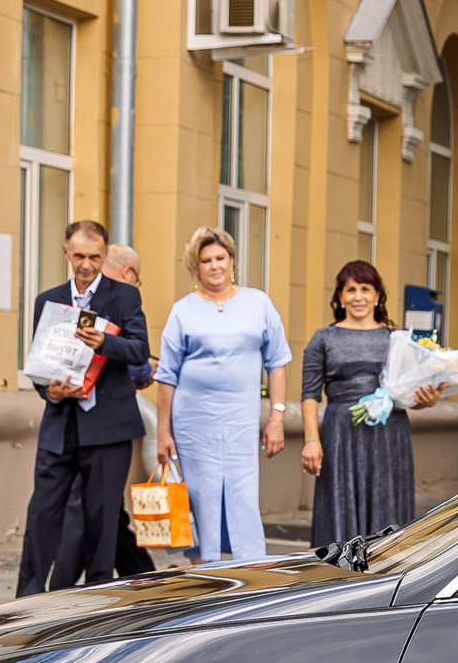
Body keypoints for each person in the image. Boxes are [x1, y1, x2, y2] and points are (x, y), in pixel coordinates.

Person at [18, 219, 149, 597]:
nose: (86, 265)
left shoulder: (124, 297)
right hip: (60, 426)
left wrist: (104, 342)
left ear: (104, 255)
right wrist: (50, 392)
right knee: (42, 514)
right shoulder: (48, 300)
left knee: (102, 521)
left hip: (108, 427)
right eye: (79, 256)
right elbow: (39, 364)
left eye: (94, 257)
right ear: (66, 253)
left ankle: (97, 598)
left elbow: (140, 350)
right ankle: (26, 599)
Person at [154, 228, 292, 562]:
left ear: (232, 260)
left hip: (240, 420)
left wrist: (276, 418)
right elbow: (166, 376)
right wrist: (163, 432)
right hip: (193, 422)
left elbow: (277, 362)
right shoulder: (182, 310)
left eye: (221, 258)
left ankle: (248, 571)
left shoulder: (258, 303)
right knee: (200, 495)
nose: (215, 266)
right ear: (196, 266)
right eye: (206, 261)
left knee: (243, 495)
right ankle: (204, 574)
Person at [301, 260, 439, 547]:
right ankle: (339, 570)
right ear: (340, 296)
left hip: (389, 435)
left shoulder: (397, 340)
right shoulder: (323, 339)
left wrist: (427, 401)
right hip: (341, 435)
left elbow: (408, 393)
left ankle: (387, 568)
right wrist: (311, 441)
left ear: (377, 295)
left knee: (387, 503)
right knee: (340, 504)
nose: (358, 297)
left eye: (365, 289)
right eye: (350, 290)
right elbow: (310, 394)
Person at [52, 242, 158, 582]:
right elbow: (134, 365)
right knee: (87, 510)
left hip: (76, 422)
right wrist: (146, 368)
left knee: (104, 510)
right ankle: (63, 589)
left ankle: (141, 577)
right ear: (128, 272)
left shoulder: (79, 297)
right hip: (98, 425)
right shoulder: (117, 299)